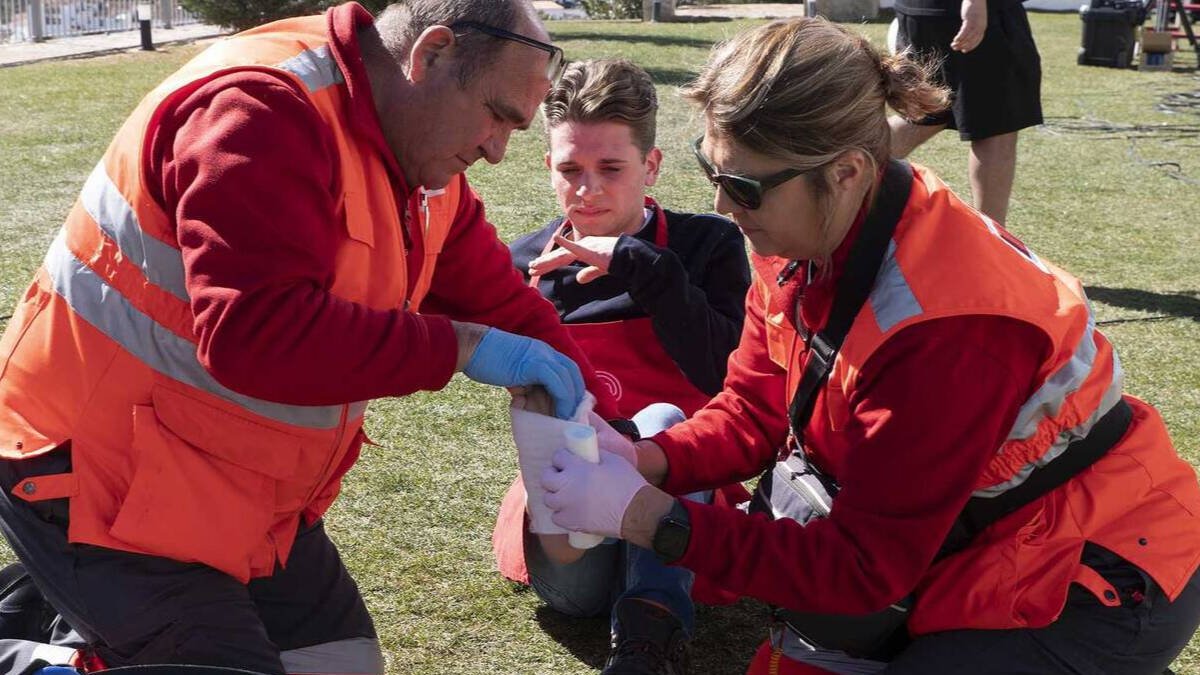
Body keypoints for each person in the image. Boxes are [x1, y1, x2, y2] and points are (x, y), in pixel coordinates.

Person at [538, 17, 1200, 675]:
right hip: (975, 538)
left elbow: (860, 568)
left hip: (1099, 575)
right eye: (711, 169)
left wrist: (653, 518)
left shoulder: (946, 324)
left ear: (848, 171)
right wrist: (646, 455)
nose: (721, 204)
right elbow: (753, 408)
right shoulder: (802, 235)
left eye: (742, 187)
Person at [0, 0, 623, 672]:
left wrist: (609, 425)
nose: (498, 150)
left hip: (225, 486)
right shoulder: (260, 110)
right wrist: (461, 347)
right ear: (431, 55)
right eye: (498, 115)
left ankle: (65, 622)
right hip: (94, 477)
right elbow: (252, 333)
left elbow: (502, 302)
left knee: (343, 663)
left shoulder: (422, 155)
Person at [491, 59, 751, 675]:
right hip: (573, 540)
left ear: (652, 166)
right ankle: (645, 623)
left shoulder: (705, 247)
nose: (587, 190)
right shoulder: (523, 265)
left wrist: (645, 268)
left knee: (663, 417)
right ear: (547, 167)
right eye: (569, 170)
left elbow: (728, 379)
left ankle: (646, 639)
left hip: (679, 518)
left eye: (611, 169)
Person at [886, 0, 1042, 225]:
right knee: (995, 129)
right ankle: (991, 240)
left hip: (921, 11)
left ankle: (839, 165)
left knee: (927, 114)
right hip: (970, 13)